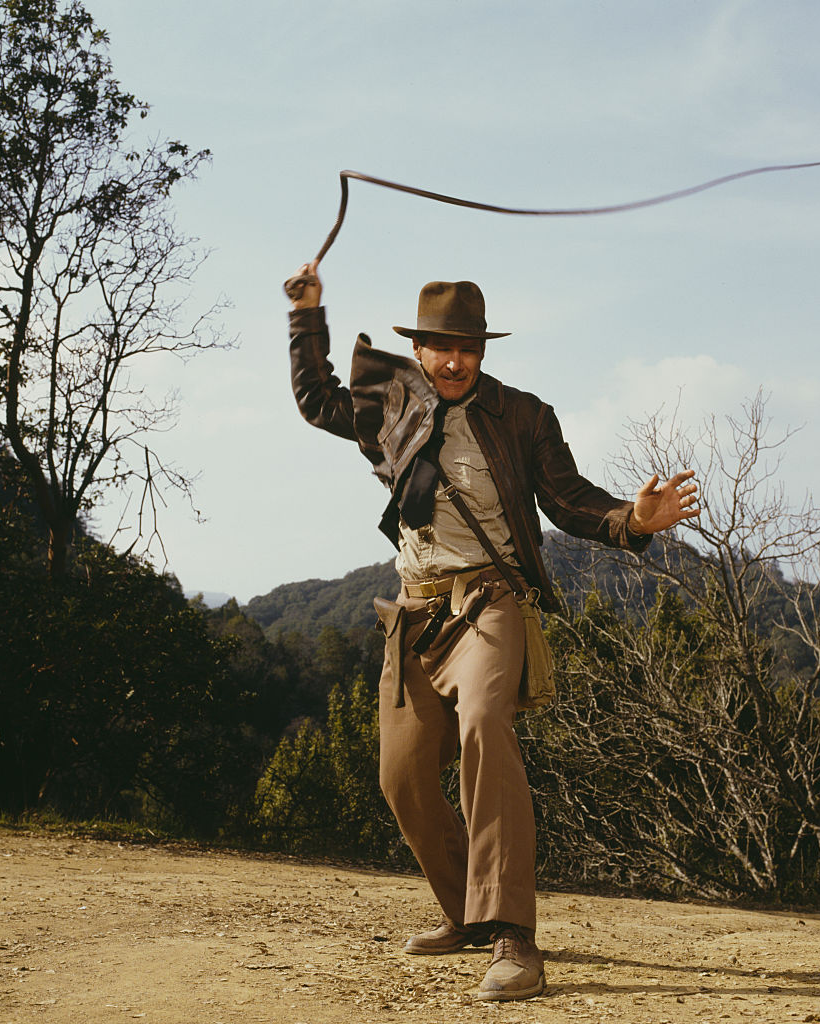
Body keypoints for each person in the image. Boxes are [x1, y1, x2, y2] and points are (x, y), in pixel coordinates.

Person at [286, 259, 699, 1001]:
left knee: (484, 723)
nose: (453, 361)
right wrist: (306, 314)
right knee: (402, 778)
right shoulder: (389, 407)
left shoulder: (525, 415)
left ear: (483, 351)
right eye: (440, 347)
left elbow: (569, 500)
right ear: (416, 349)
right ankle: (466, 916)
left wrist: (632, 520)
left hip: (490, 600)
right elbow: (317, 401)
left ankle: (514, 937)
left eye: (467, 348)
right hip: (415, 610)